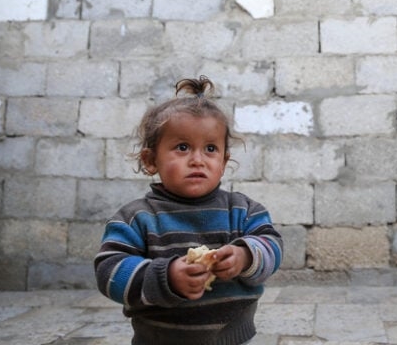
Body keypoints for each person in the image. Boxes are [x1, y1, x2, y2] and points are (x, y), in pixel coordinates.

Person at [95, 76, 283, 345]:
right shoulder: (135, 219)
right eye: (182, 147)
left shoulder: (243, 211)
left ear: (224, 161)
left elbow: (272, 245)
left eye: (210, 149)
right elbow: (109, 273)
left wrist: (245, 256)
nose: (197, 160)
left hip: (232, 339)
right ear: (151, 160)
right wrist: (166, 277)